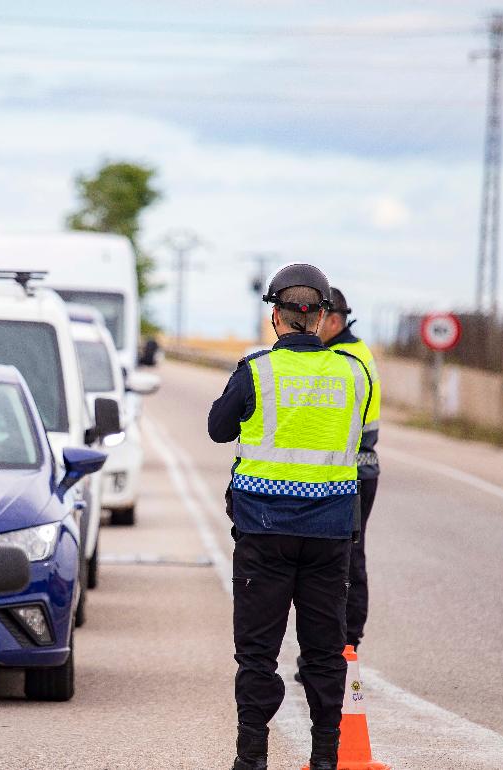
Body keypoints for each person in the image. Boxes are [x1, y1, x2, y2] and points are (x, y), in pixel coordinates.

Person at [208, 264, 372, 770]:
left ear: (276, 318)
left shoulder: (255, 370)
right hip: (329, 535)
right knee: (324, 651)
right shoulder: (355, 372)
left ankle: (251, 758)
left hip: (264, 531)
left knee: (257, 652)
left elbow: (218, 429)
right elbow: (358, 426)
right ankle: (326, 758)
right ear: (323, 317)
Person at [320, 287, 381, 652]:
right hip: (357, 470)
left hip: (354, 472)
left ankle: (346, 645)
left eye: (317, 317)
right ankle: (339, 645)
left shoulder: (346, 359)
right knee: (343, 558)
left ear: (335, 320)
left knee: (348, 561)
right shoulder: (348, 352)